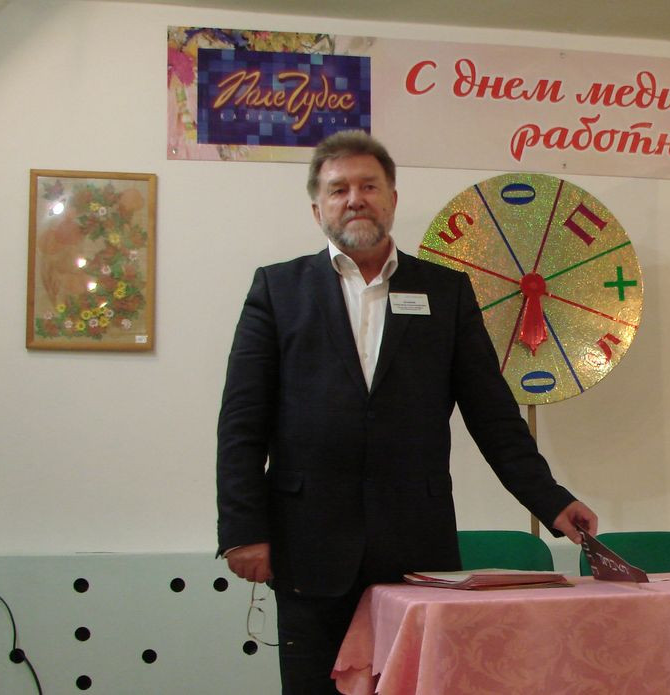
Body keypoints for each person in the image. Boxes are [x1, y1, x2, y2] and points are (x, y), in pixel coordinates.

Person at [216, 130, 598, 694]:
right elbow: (241, 424)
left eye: (369, 186)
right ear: (317, 208)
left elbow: (493, 415)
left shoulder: (446, 292)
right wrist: (243, 530)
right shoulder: (277, 290)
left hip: (416, 549)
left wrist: (551, 500)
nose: (355, 199)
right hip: (308, 548)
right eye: (338, 189)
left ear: (392, 198)